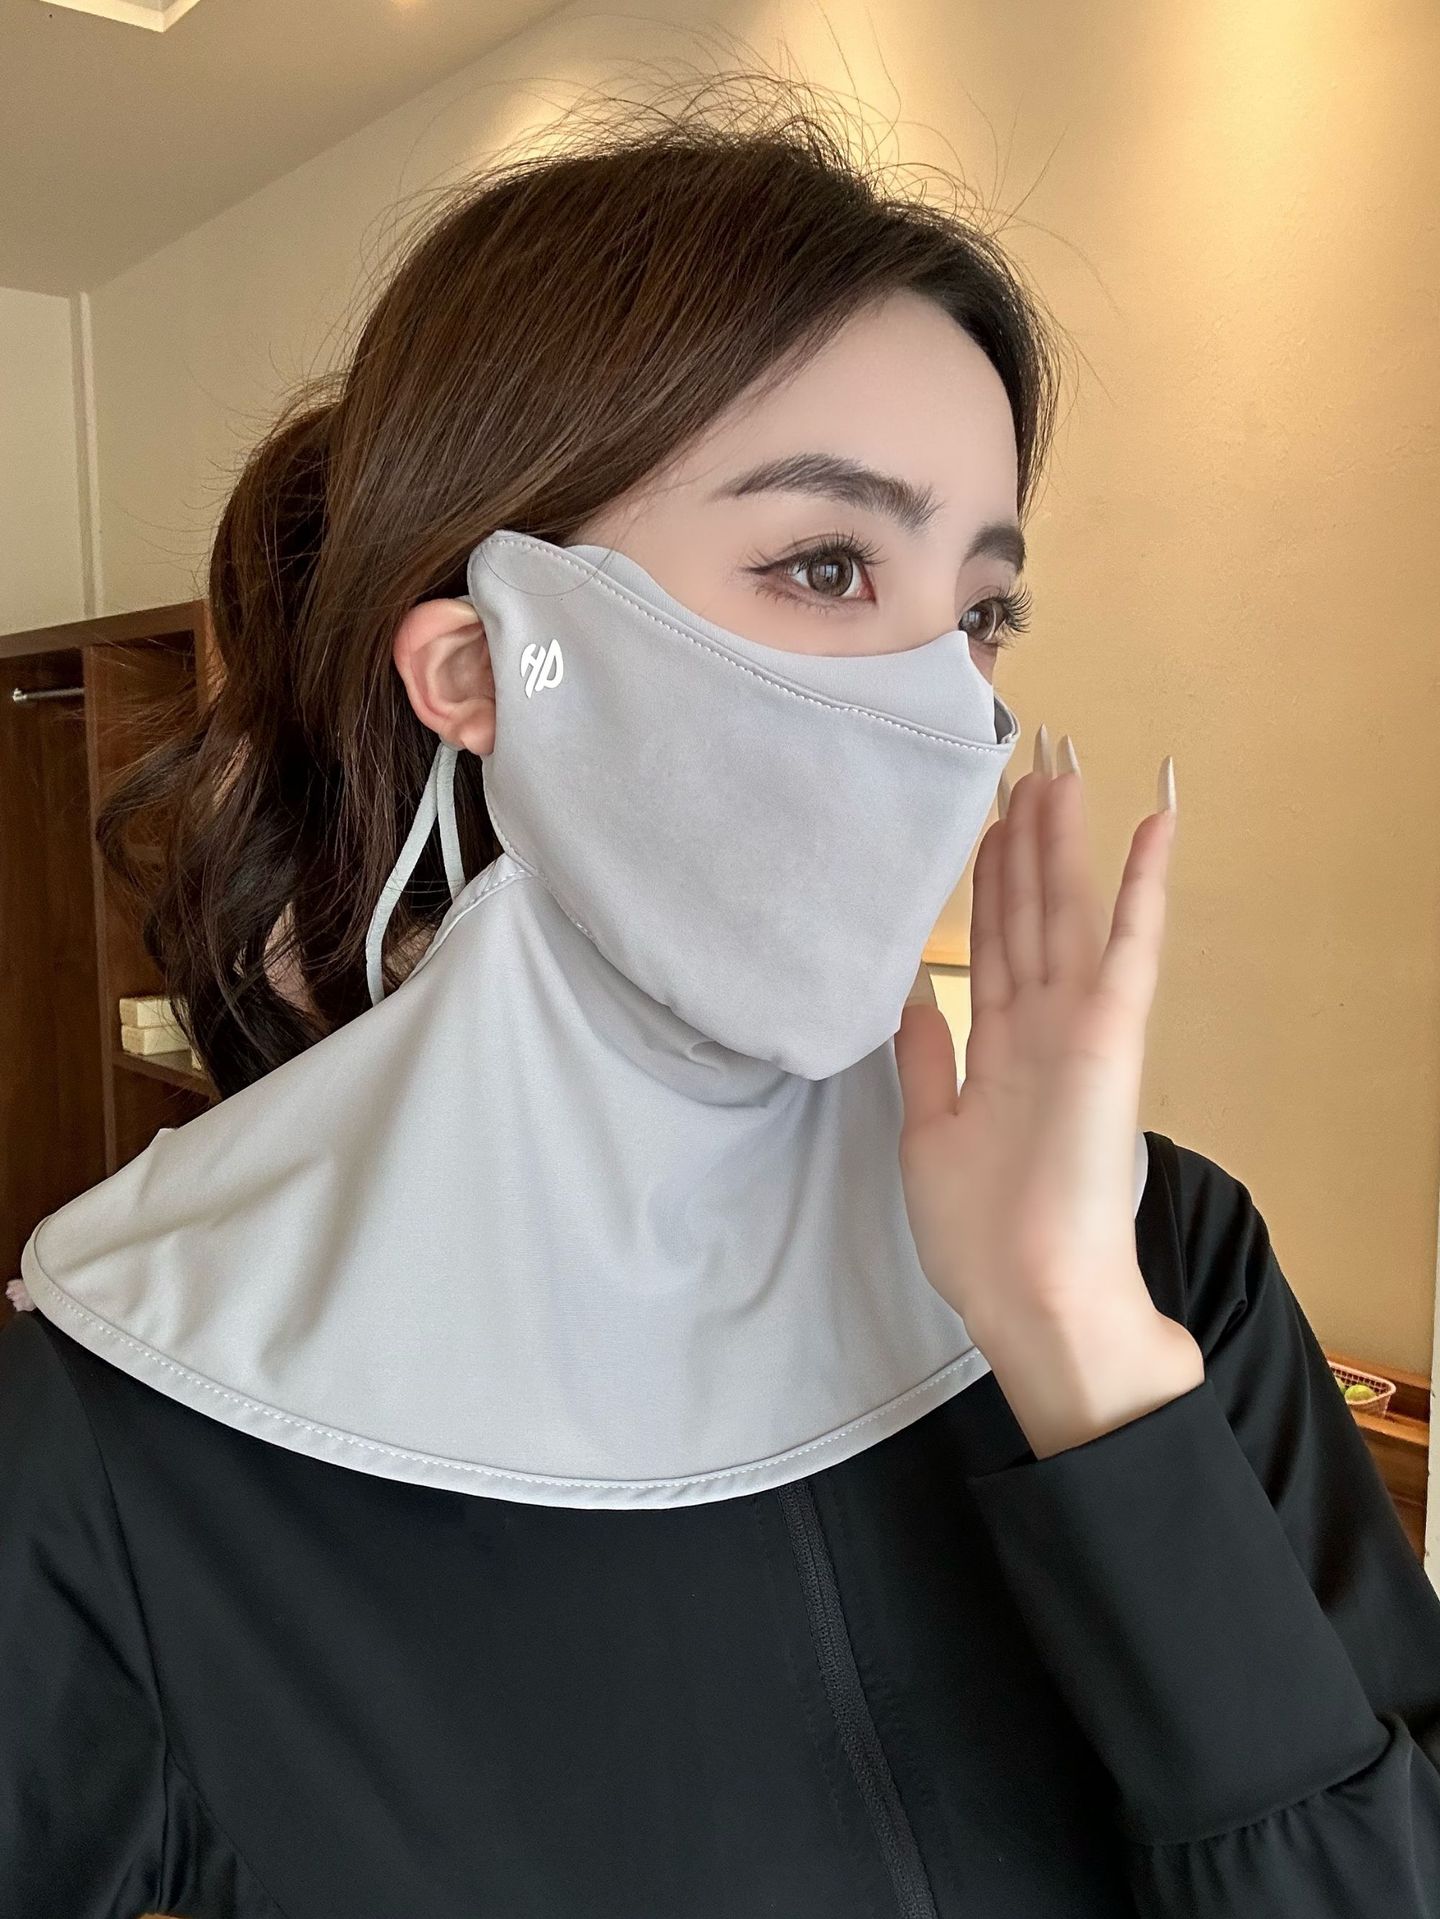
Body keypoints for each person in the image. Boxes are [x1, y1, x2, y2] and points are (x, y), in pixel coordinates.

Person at [3, 72, 1438, 1919]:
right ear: (482, 671)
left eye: (980, 609)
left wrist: (1087, 1355)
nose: (948, 710)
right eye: (828, 566)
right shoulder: (138, 1418)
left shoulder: (1172, 1264)